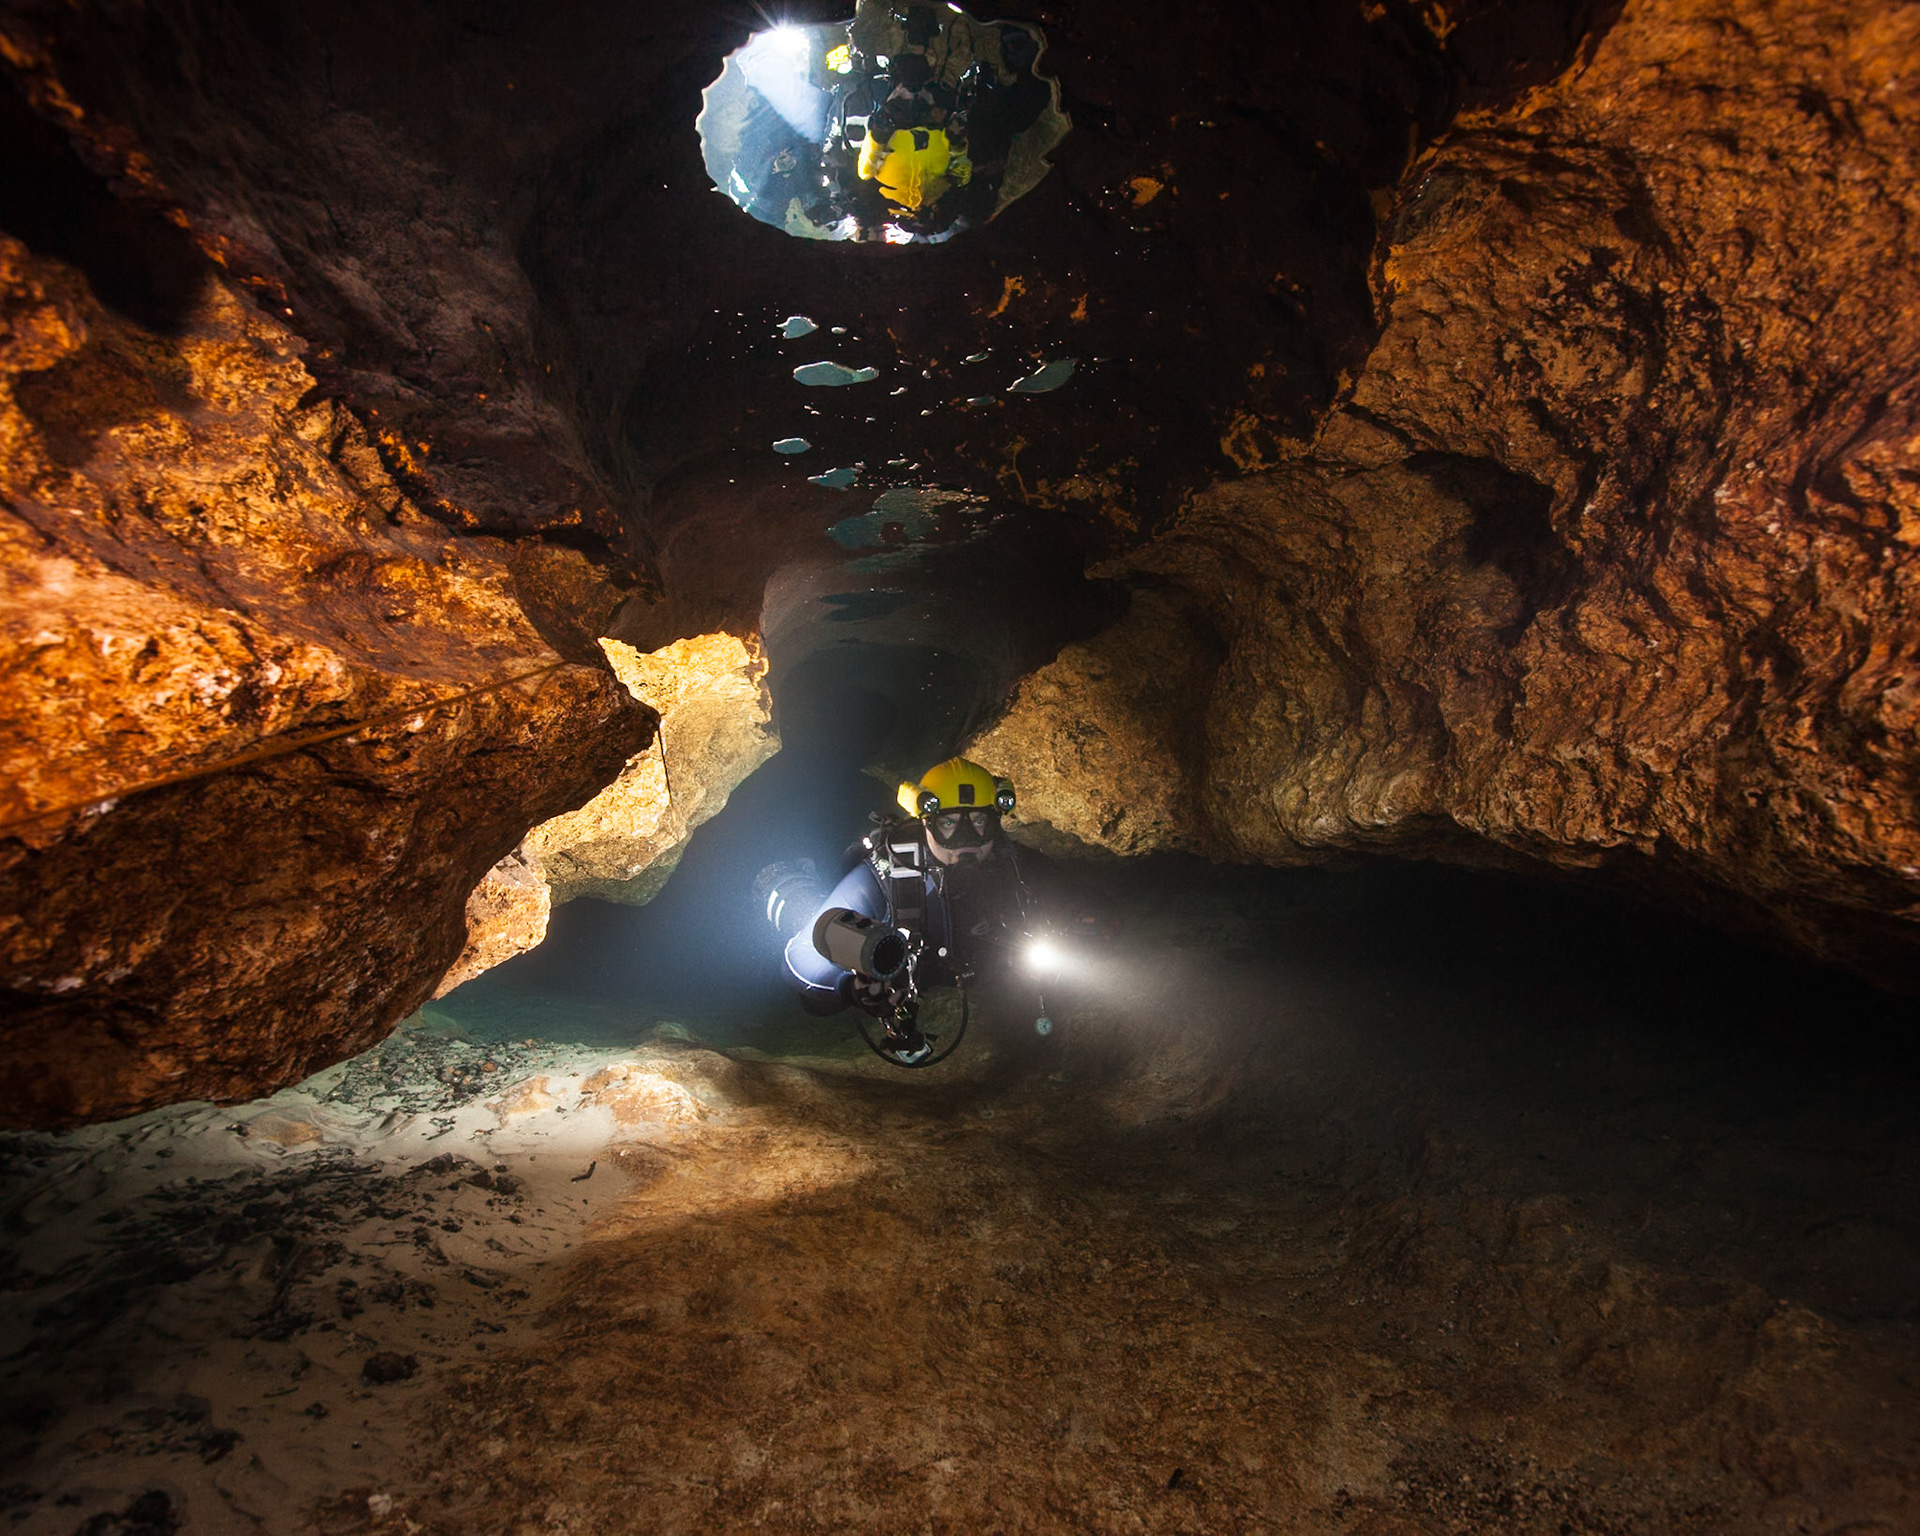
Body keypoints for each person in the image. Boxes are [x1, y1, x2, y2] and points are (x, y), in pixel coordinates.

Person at [757, 756, 1025, 1061]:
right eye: (949, 824)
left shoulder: (1011, 864)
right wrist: (850, 988)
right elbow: (801, 955)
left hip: (949, 971)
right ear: (927, 823)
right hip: (895, 969)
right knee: (819, 1003)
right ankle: (790, 883)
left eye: (979, 822)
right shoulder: (888, 874)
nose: (967, 841)